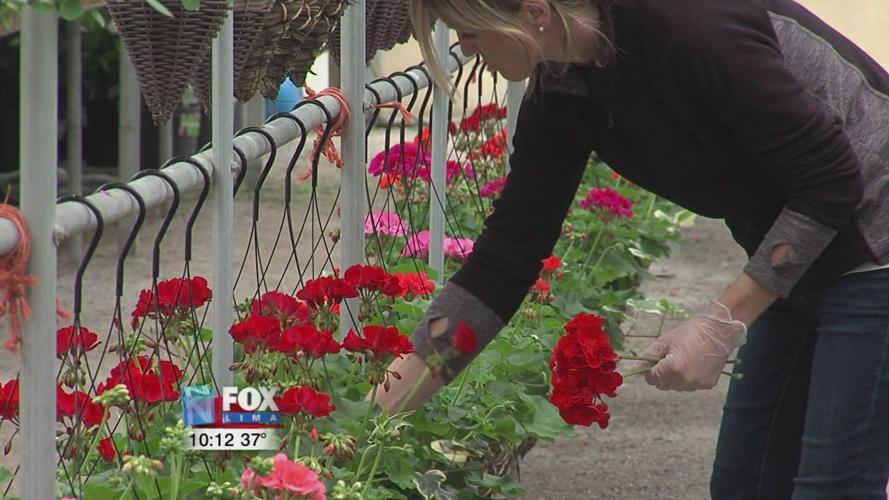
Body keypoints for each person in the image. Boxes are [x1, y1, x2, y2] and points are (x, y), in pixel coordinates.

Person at [372, 0, 889, 497]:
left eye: (470, 31)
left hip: (876, 235)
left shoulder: (690, 28)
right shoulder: (564, 89)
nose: (465, 46)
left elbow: (831, 182)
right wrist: (378, 414)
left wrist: (720, 323)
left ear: (535, 12)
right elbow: (503, 262)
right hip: (803, 252)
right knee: (746, 483)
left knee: (834, 484)